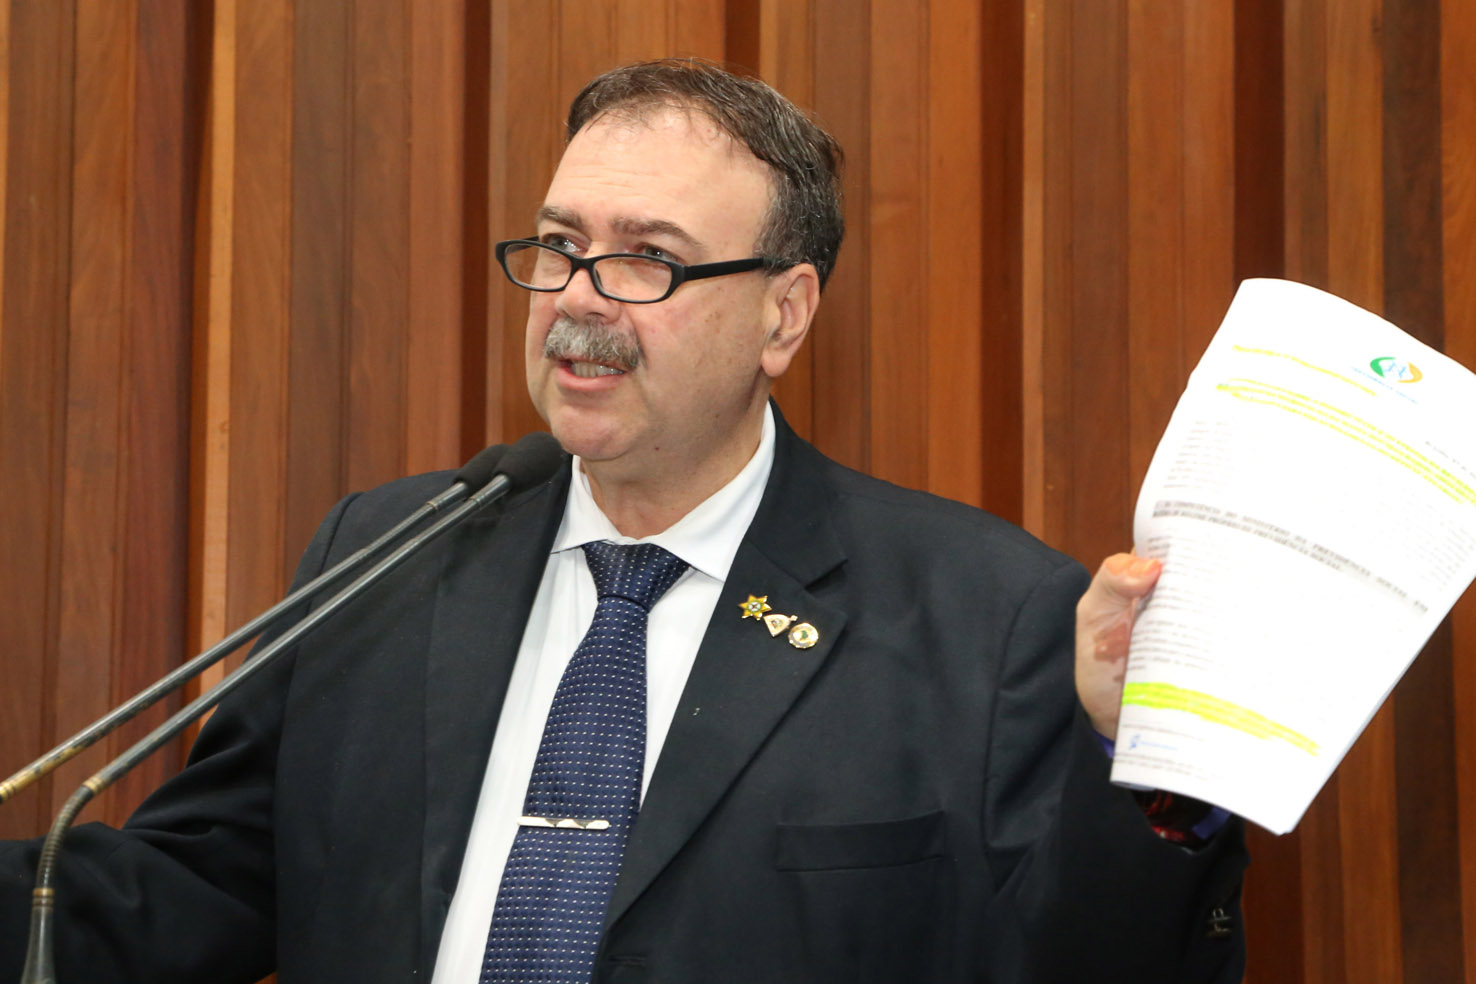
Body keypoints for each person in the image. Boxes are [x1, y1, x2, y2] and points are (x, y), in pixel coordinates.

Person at [0, 59, 1246, 983]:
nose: (579, 302)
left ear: (783, 315)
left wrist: (1151, 771)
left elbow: (1099, 960)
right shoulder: (386, 556)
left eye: (647, 258)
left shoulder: (983, 617)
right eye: (559, 246)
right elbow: (184, 893)